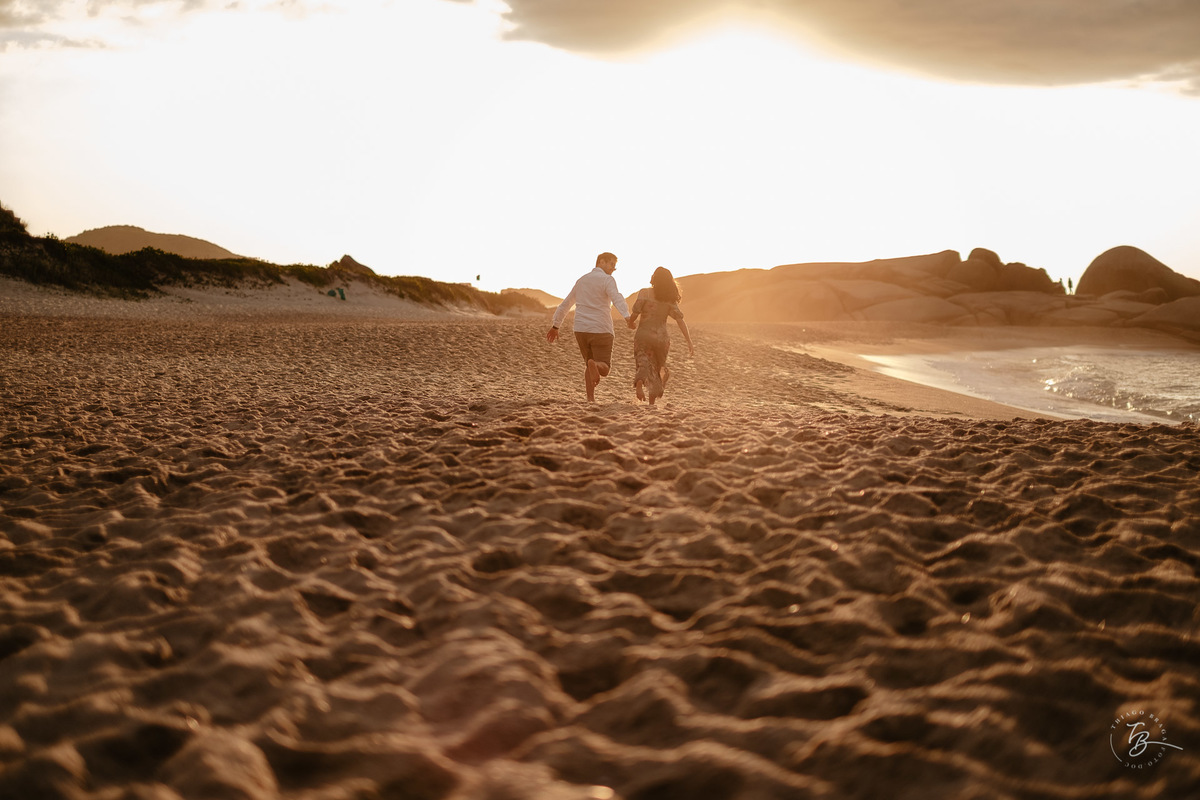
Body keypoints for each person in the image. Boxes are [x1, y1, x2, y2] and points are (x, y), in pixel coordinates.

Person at [546, 252, 631, 402]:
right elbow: (617, 298)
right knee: (604, 368)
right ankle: (594, 365)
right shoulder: (607, 280)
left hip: (580, 329)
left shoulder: (582, 280)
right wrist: (627, 317)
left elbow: (566, 304)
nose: (613, 269)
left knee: (589, 363)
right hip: (601, 328)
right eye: (611, 264)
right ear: (601, 262)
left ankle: (590, 399)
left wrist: (555, 325)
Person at [627, 266, 694, 405]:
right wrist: (689, 341)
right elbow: (680, 320)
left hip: (643, 335)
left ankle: (639, 384)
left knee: (642, 360)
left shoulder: (644, 293)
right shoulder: (669, 300)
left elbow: (635, 312)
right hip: (661, 339)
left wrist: (631, 322)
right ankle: (652, 402)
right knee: (657, 368)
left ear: (654, 278)